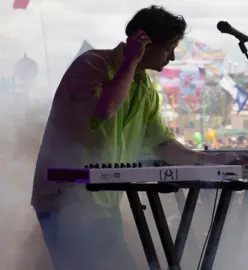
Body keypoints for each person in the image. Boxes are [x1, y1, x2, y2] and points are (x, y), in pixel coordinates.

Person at [31, 6, 237, 270]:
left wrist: (209, 161)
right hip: (66, 199)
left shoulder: (144, 88)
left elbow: (161, 143)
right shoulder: (92, 65)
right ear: (146, 44)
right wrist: (130, 60)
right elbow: (105, 108)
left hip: (102, 201)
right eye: (168, 47)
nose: (172, 57)